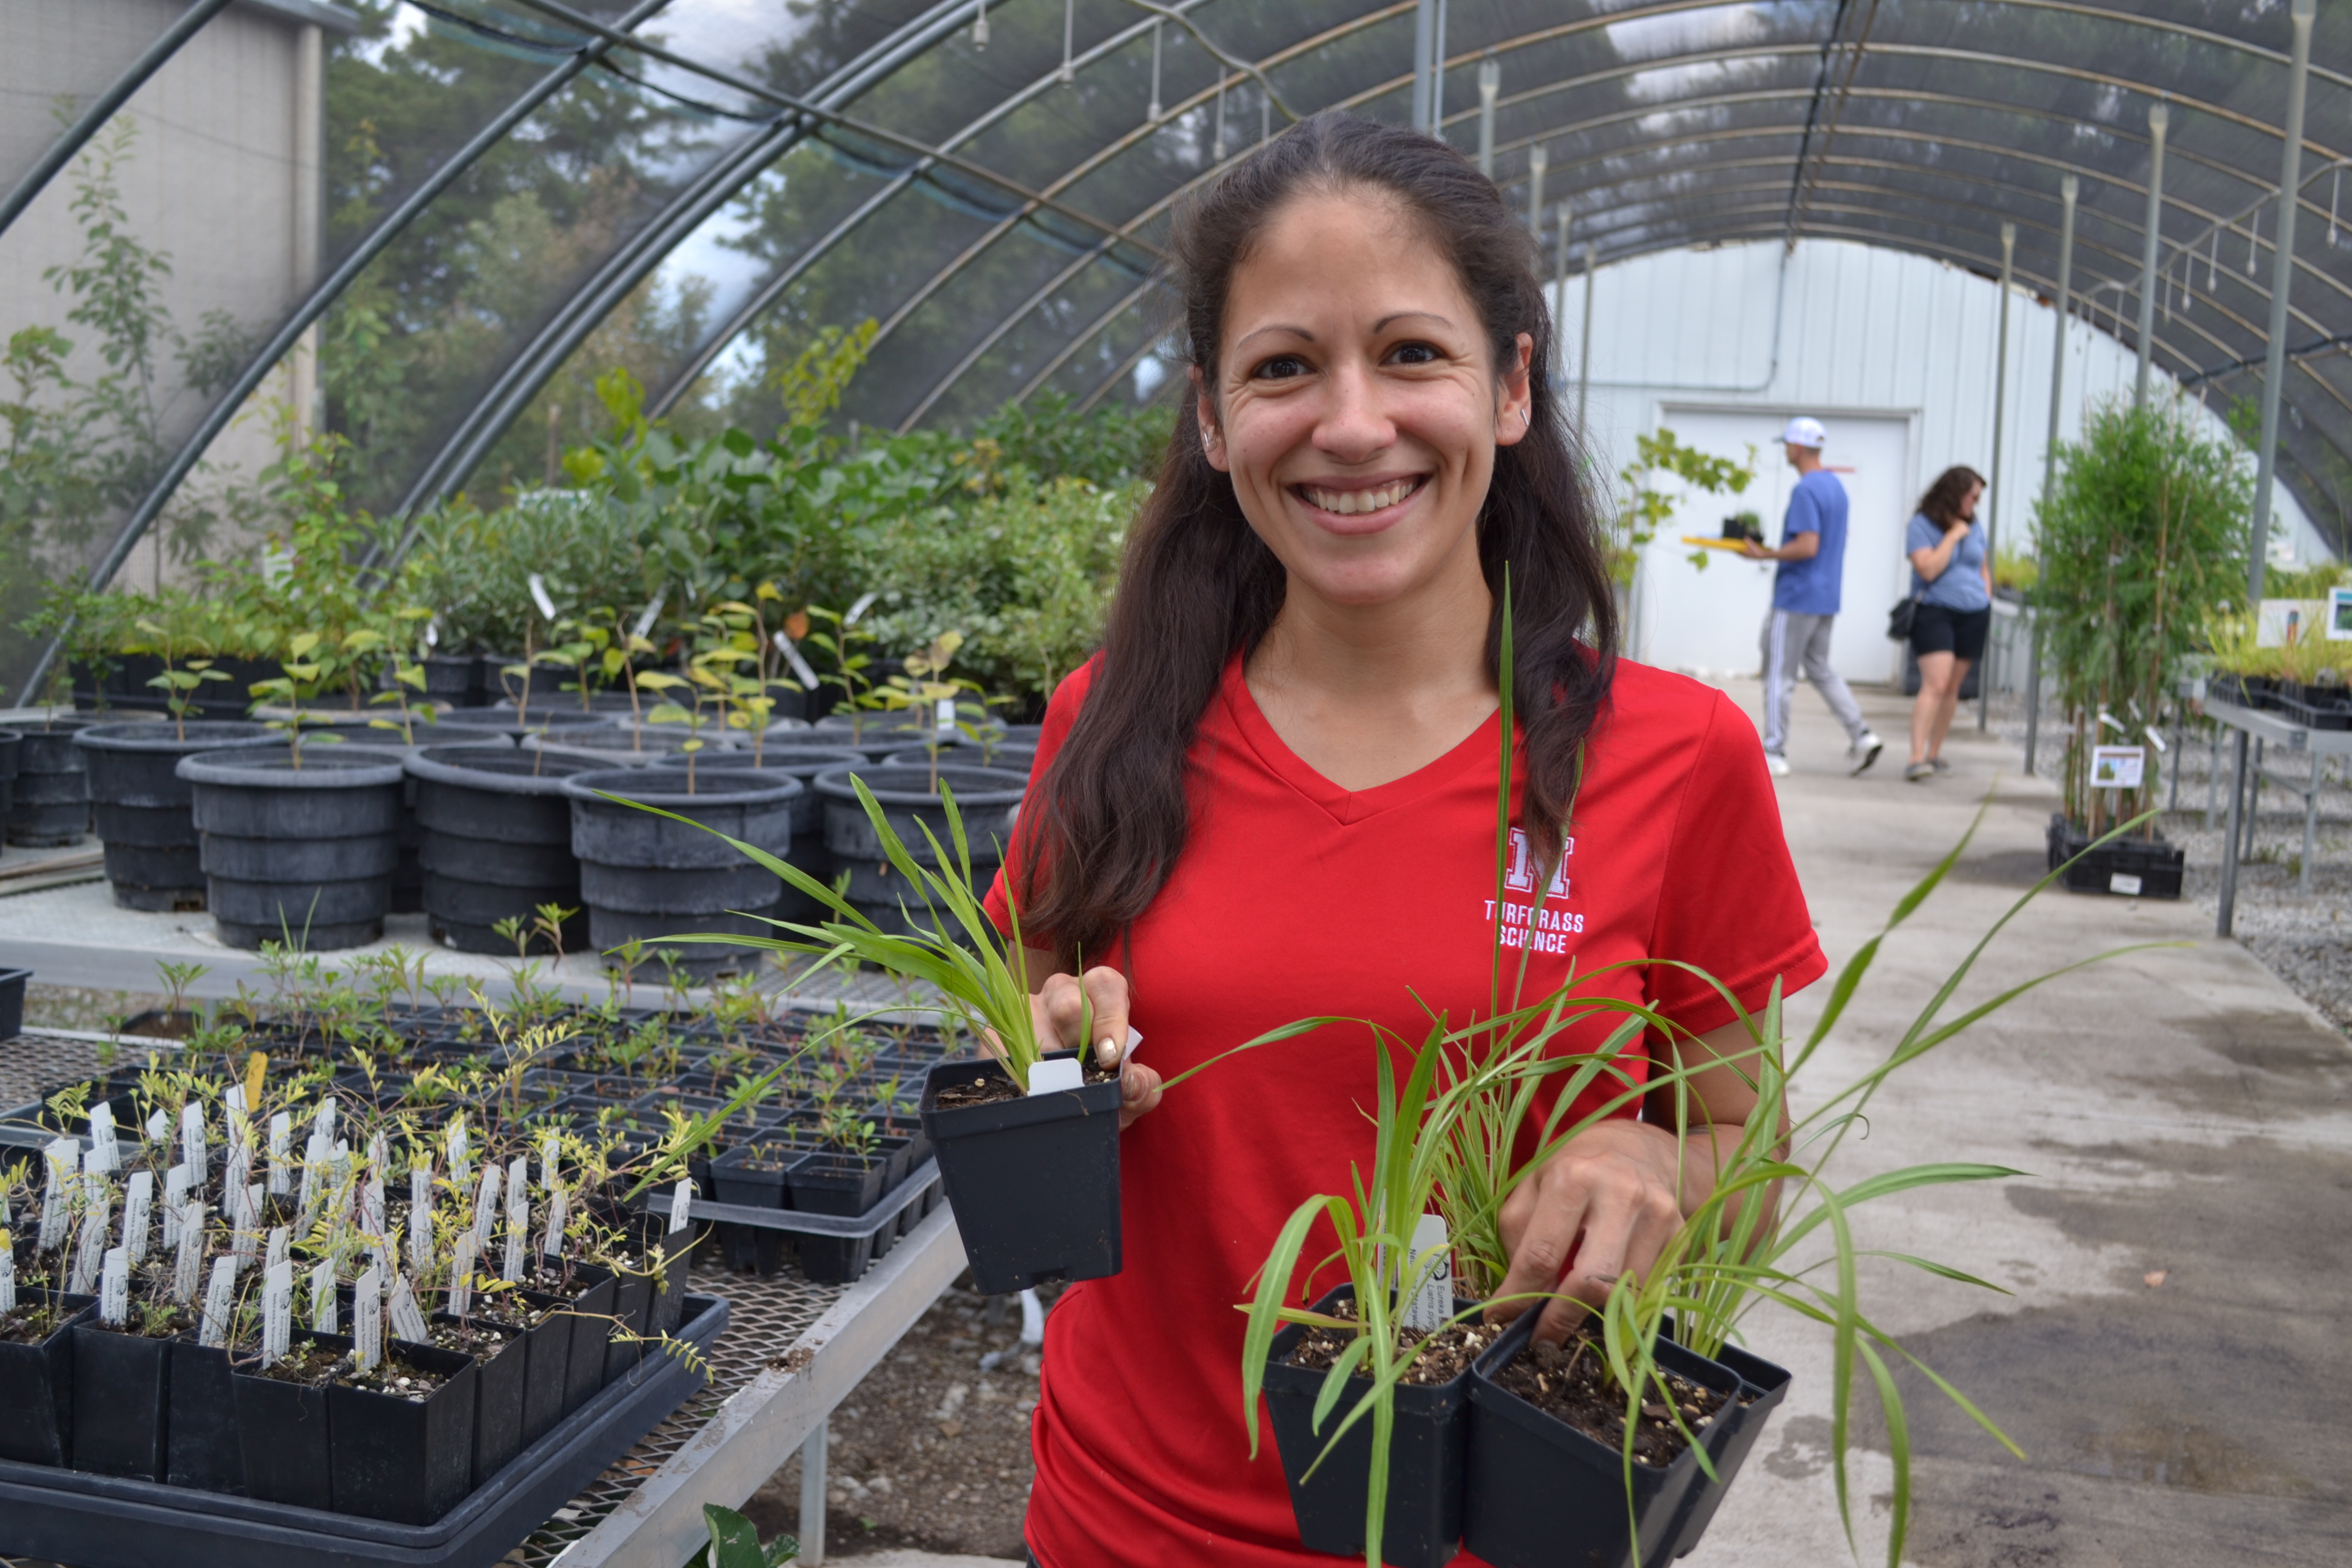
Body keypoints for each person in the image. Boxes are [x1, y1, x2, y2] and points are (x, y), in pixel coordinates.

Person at [979, 113, 1826, 1567]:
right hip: (1128, 1521)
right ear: (1211, 417)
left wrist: (1646, 1165)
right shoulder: (1107, 727)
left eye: (1412, 354)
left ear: (1509, 386)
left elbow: (1744, 1149)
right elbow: (1019, 1039)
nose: (1353, 424)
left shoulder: (1675, 756)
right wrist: (1061, 1060)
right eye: (1285, 367)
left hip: (1499, 1533)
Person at [1740, 417, 1884, 777]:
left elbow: (1807, 545)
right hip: (1826, 597)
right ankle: (1862, 734)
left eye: (1787, 444)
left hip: (1796, 597)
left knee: (1778, 673)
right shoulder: (1835, 486)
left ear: (1799, 448)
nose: (1786, 451)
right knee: (1819, 668)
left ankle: (1773, 752)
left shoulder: (1805, 490)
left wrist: (1764, 555)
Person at [1901, 465, 1993, 781]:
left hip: (1974, 612)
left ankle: (1934, 752)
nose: (1976, 504)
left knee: (1953, 687)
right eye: (1973, 496)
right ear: (1955, 493)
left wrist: (1987, 596)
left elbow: (1982, 566)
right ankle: (1916, 758)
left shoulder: (1975, 526)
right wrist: (1953, 536)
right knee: (1936, 684)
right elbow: (1927, 569)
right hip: (1936, 611)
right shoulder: (1922, 525)